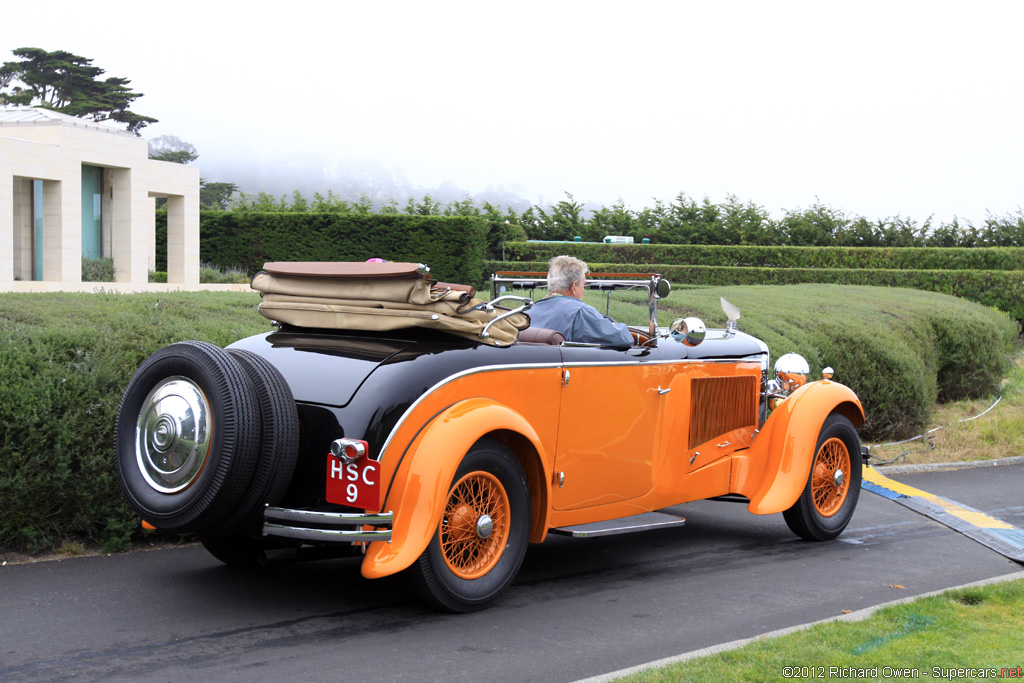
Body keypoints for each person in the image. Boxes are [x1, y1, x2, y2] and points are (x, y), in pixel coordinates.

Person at [527, 255, 633, 347]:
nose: (583, 290)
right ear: (574, 286)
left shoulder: (528, 313)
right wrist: (614, 325)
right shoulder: (580, 313)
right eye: (583, 285)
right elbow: (624, 339)